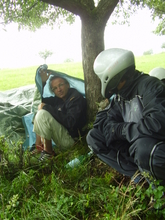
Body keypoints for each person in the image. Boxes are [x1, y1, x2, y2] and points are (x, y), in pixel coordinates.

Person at [86, 48, 165, 185]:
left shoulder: (149, 86)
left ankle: (158, 188)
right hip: (136, 145)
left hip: (154, 147)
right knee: (94, 137)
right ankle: (138, 174)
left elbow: (158, 124)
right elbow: (104, 121)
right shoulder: (120, 96)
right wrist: (113, 130)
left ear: (114, 78)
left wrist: (121, 130)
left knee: (143, 147)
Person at [33, 75, 87, 161]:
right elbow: (38, 101)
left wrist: (47, 108)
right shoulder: (58, 100)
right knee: (40, 108)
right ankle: (39, 146)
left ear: (68, 85)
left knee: (42, 114)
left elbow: (71, 122)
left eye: (61, 85)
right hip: (63, 137)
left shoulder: (75, 98)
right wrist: (42, 83)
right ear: (53, 91)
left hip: (73, 140)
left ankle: (49, 153)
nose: (59, 89)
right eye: (55, 88)